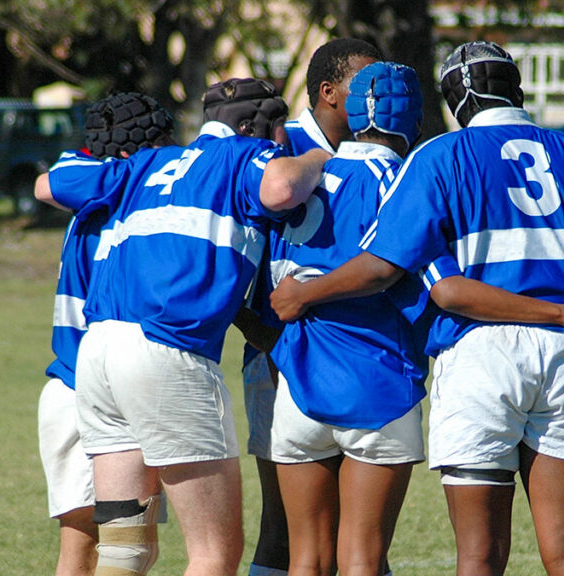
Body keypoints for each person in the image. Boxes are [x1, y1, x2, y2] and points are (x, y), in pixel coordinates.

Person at [271, 40, 564, 576]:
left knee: (480, 555)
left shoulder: (437, 157)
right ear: (518, 90)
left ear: (458, 100)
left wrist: (303, 294)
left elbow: (407, 273)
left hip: (481, 351)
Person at [34, 77, 330, 576]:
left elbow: (51, 183)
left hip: (99, 354)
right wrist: (322, 158)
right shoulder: (242, 154)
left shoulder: (149, 162)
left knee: (124, 547)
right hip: (168, 350)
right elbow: (282, 187)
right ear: (255, 127)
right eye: (279, 131)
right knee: (214, 552)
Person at [265, 61, 428, 576]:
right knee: (362, 558)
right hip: (378, 383)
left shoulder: (304, 177)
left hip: (297, 386)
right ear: (416, 120)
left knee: (305, 560)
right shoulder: (406, 180)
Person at [240, 38, 381, 576]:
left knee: (363, 536)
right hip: (282, 362)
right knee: (286, 531)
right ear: (328, 93)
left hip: (362, 362)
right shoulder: (276, 147)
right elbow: (229, 258)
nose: (379, 95)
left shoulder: (377, 151)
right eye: (366, 85)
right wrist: (264, 337)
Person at [38, 91, 174, 576]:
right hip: (96, 390)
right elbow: (44, 183)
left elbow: (51, 180)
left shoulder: (86, 191)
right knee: (108, 551)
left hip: (86, 390)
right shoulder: (132, 207)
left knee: (111, 551)